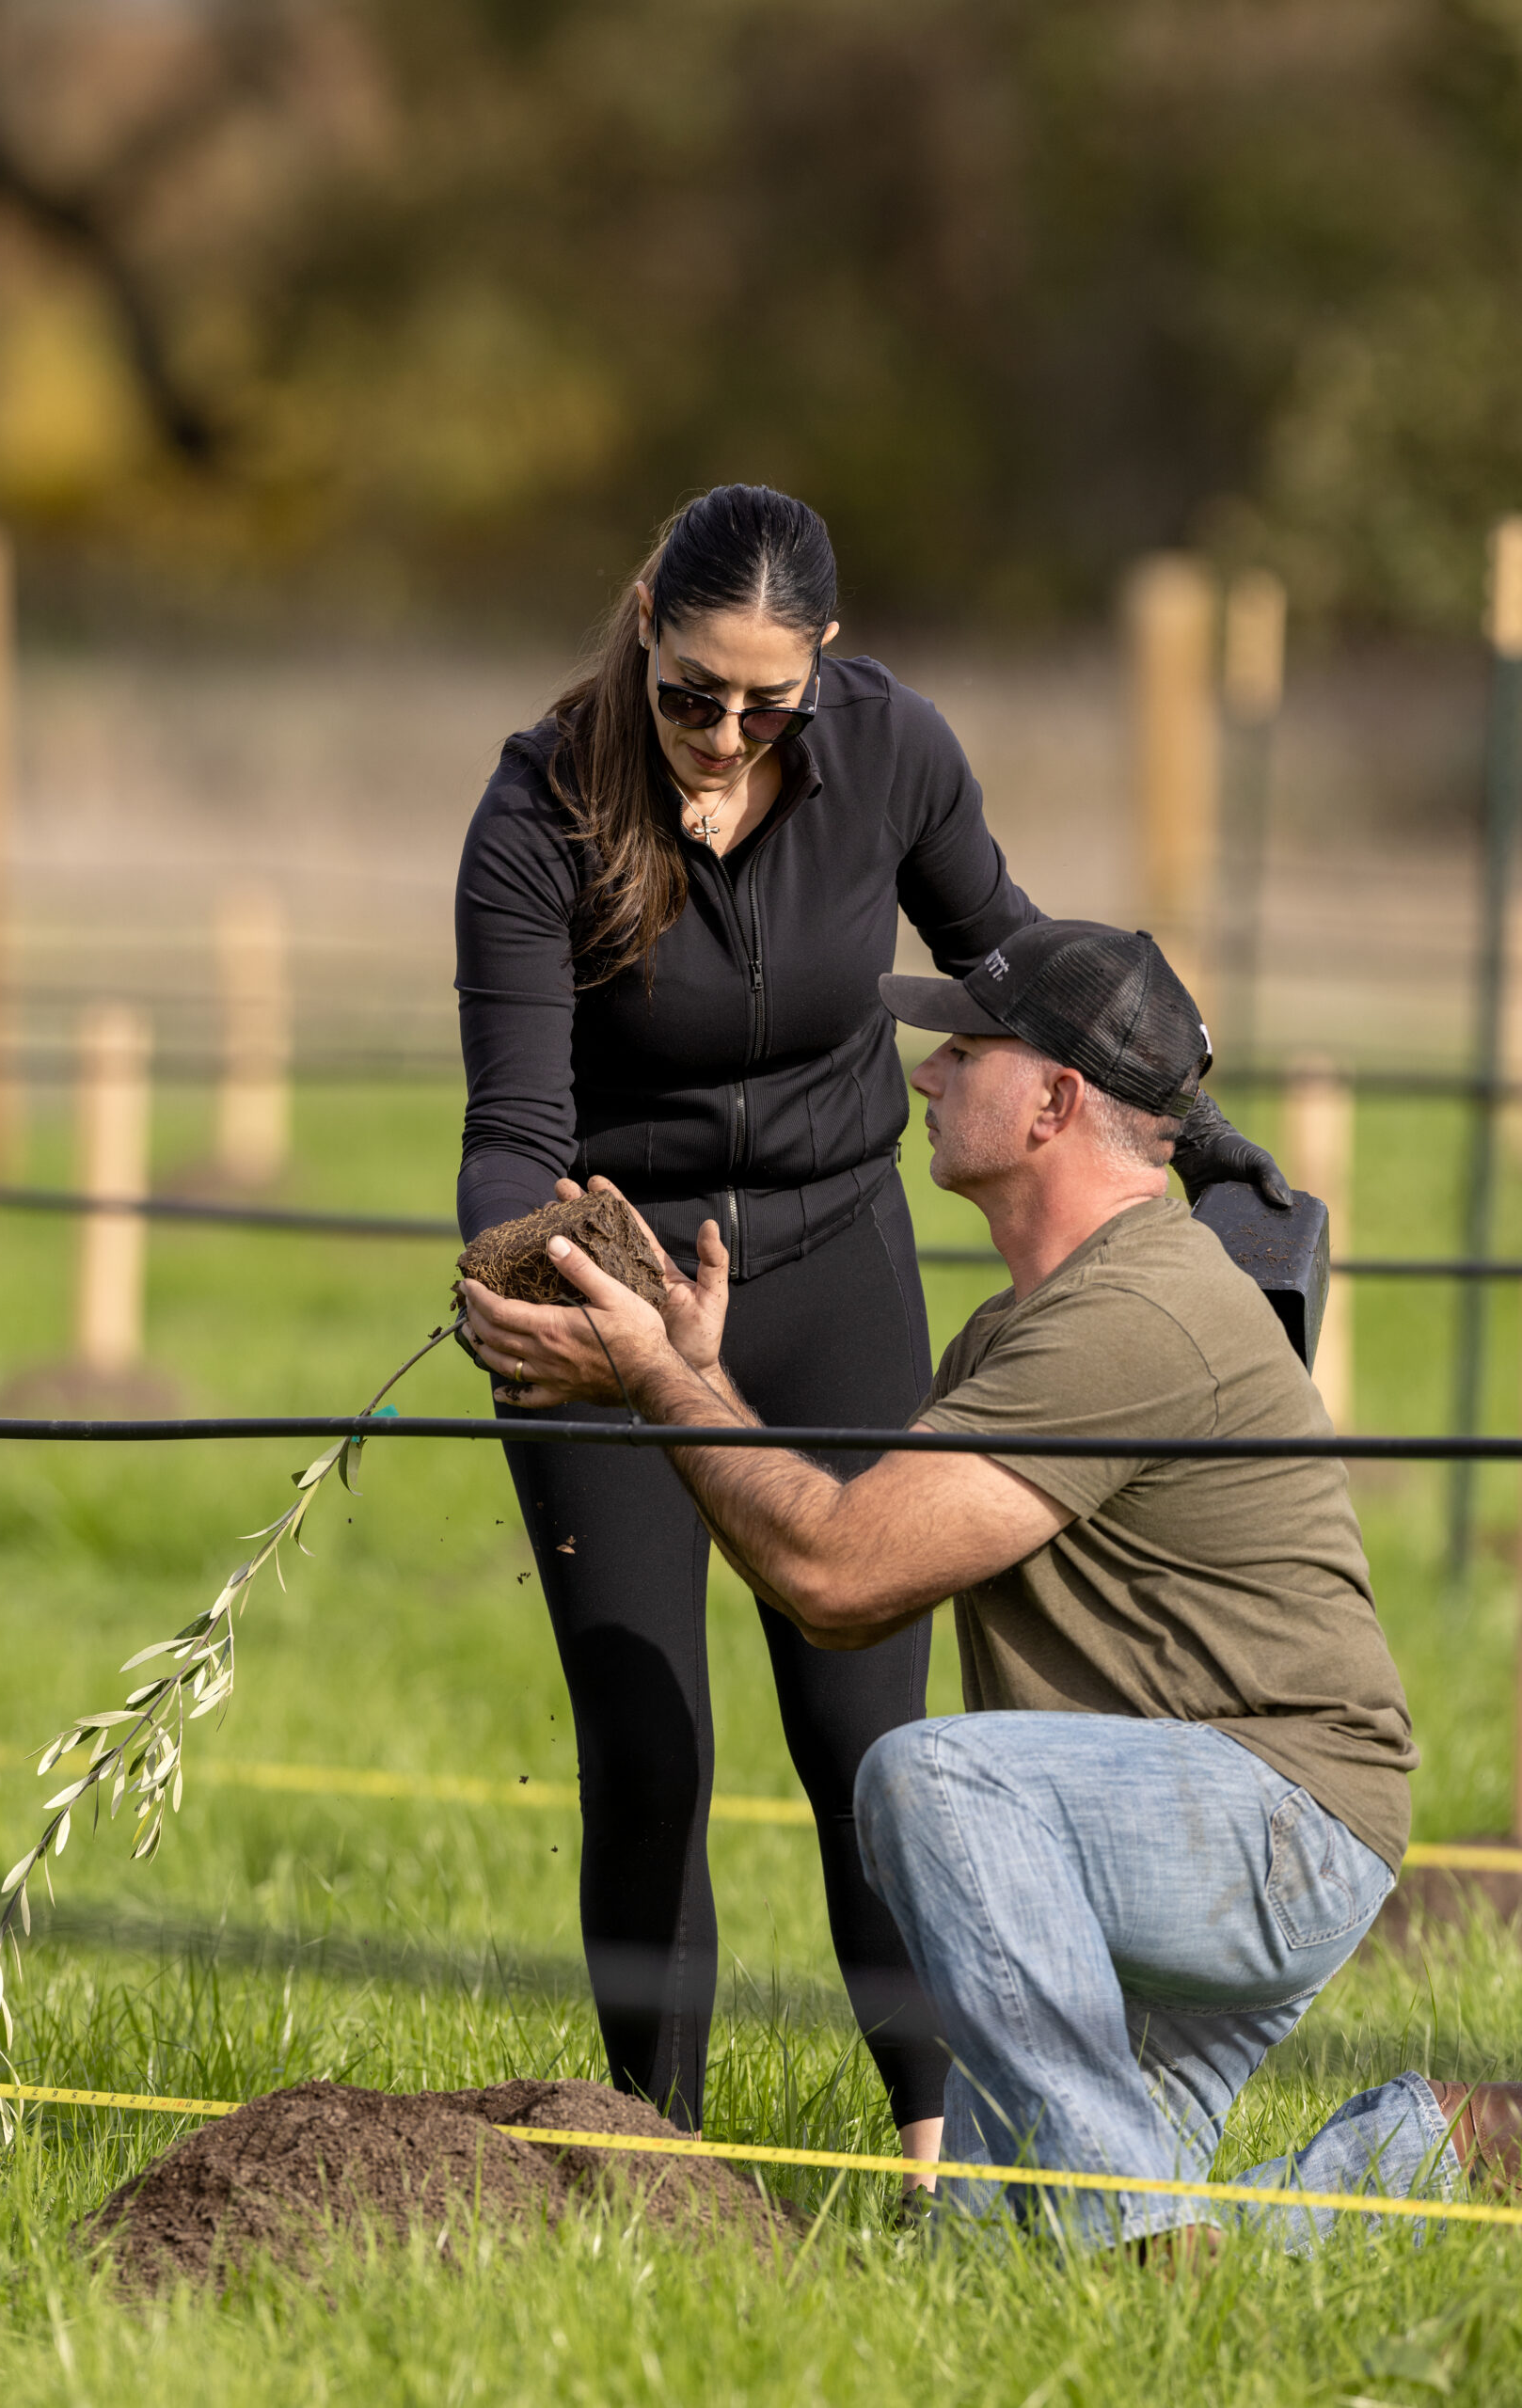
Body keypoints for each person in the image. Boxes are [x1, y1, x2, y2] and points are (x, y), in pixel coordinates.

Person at [459, 916, 1522, 2247]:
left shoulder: (1134, 1317)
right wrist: (695, 1366)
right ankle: (1432, 2154)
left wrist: (658, 1385)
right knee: (994, 2254)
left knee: (925, 1778)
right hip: (1149, 1840)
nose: (923, 1077)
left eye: (963, 1051)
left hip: (1269, 1824)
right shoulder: (1026, 1329)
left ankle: (1138, 2233)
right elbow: (847, 1551)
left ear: (1057, 1103)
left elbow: (838, 1582)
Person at [454, 483, 1290, 2154]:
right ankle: (656, 2164)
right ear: (644, 625)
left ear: (822, 663)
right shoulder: (542, 806)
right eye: (694, 691)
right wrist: (516, 1283)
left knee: (866, 1740)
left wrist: (1193, 1131)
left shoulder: (894, 752)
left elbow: (1014, 961)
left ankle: (928, 2149)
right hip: (624, 1290)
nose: (724, 731)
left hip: (839, 1264)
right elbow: (517, 1128)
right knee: (646, 1736)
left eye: (768, 700)